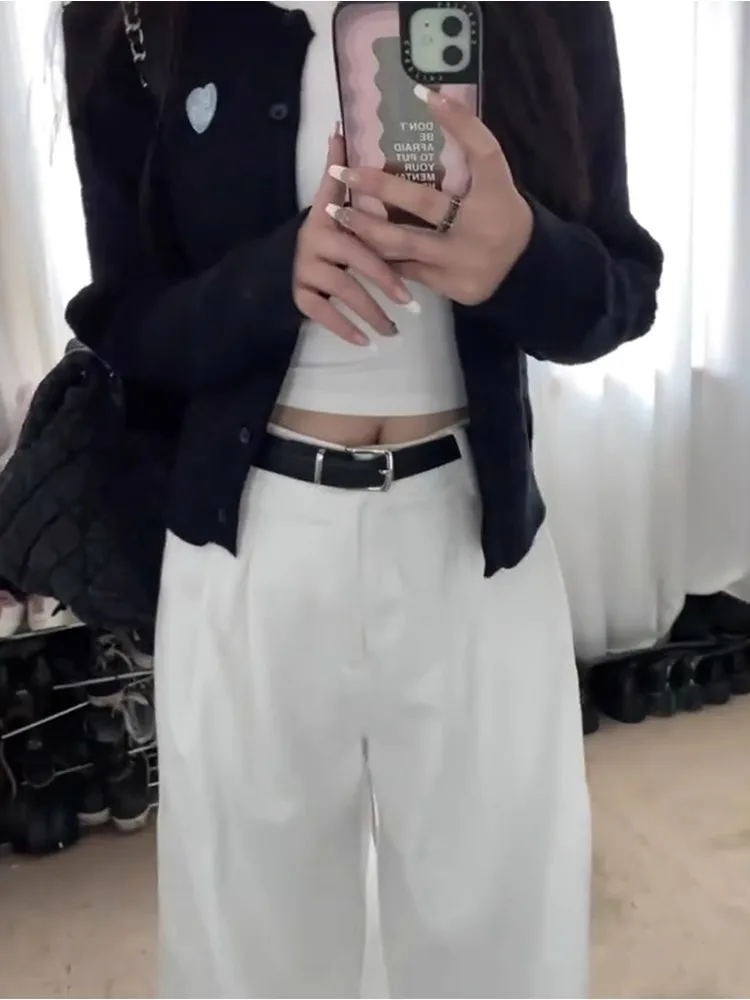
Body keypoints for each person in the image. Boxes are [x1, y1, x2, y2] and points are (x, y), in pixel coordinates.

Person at [62, 2, 662, 997]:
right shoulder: (136, 13)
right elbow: (125, 318)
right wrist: (272, 279)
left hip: (472, 551)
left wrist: (523, 256)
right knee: (253, 961)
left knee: (500, 951)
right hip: (249, 558)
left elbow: (620, 292)